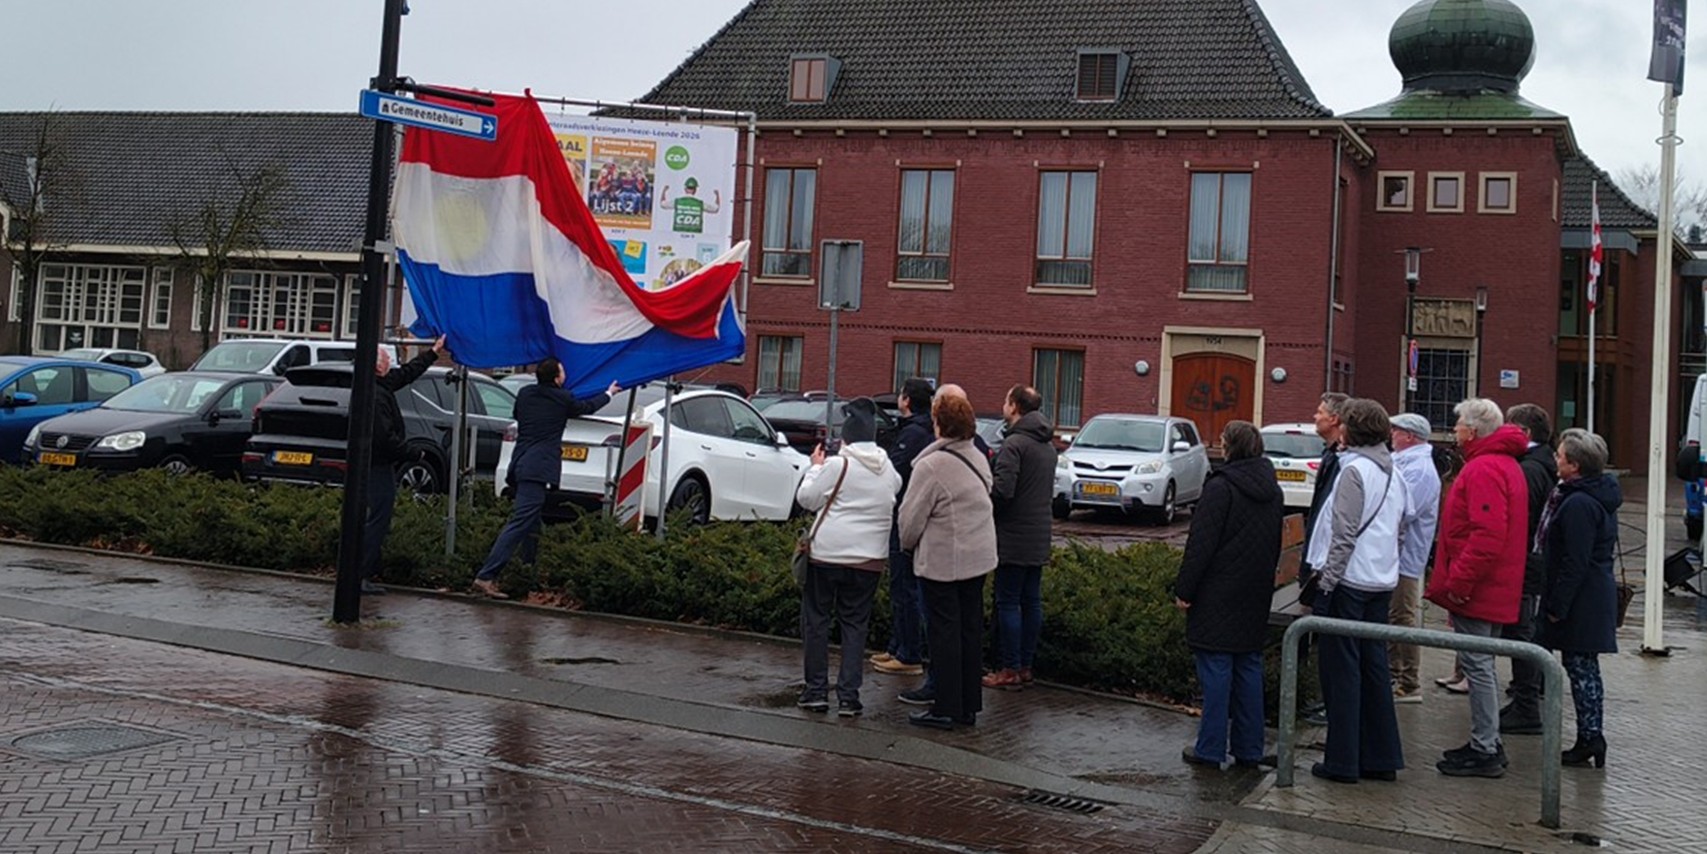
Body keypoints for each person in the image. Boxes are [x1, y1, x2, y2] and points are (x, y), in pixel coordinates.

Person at [1304, 398, 1408, 784]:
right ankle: (1381, 757)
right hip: (1380, 581)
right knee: (1374, 670)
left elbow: (1343, 535)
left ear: (1350, 431)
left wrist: (1326, 583)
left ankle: (1342, 760)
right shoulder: (1393, 473)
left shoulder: (1355, 472)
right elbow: (1400, 527)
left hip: (1348, 583)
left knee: (1341, 673)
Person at [1425, 398, 1528, 778]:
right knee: (1481, 664)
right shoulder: (1504, 464)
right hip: (1494, 585)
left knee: (1478, 666)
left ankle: (1486, 746)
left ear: (1472, 430)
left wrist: (1458, 584)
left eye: (1458, 426)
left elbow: (1486, 535)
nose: (1455, 432)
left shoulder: (1484, 468)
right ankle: (1486, 740)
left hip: (1480, 588)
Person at [1174, 420, 1283, 768]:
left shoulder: (1221, 488)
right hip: (1254, 590)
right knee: (1248, 664)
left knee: (1216, 666)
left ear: (1231, 446)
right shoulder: (1273, 488)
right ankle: (1250, 748)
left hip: (1218, 592)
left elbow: (1200, 545)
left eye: (1222, 439)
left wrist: (1185, 590)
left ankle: (1210, 747)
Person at [472, 358, 616, 598]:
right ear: (557, 378)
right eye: (563, 371)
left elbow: (518, 414)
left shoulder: (526, 393)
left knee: (531, 524)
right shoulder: (562, 398)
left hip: (520, 463)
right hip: (537, 469)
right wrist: (609, 393)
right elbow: (586, 407)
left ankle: (527, 576)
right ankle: (486, 576)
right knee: (520, 522)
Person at [795, 398, 903, 717]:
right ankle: (849, 697)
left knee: (816, 621)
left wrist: (814, 469)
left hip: (827, 556)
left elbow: (806, 498)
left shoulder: (837, 464)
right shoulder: (889, 470)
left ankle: (815, 692)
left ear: (848, 438)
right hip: (869, 561)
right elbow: (894, 493)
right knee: (855, 625)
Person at [897, 393, 997, 730]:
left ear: (939, 424)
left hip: (942, 562)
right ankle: (968, 706)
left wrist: (907, 546)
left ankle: (945, 707)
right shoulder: (978, 457)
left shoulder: (930, 466)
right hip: (978, 558)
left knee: (943, 635)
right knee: (969, 631)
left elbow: (909, 520)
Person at [1536, 429, 1620, 769]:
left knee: (1581, 668)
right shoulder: (1595, 496)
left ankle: (1590, 736)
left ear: (1574, 465)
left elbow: (1575, 559)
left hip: (1582, 601)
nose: (1555, 460)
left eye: (1560, 456)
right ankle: (1591, 735)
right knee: (1585, 668)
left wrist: (1558, 606)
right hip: (1591, 595)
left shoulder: (1579, 504)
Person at [983, 385, 1058, 690]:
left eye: (1005, 401)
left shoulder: (1014, 445)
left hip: (1012, 536)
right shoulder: (1047, 445)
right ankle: (1025, 665)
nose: (1003, 406)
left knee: (1008, 601)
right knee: (1031, 601)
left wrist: (982, 496)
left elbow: (1003, 491)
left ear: (1014, 406)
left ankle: (1009, 668)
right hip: (1039, 534)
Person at [360, 336, 444, 595]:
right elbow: (384, 437)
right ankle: (361, 574)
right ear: (378, 367)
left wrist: (433, 353)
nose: (390, 364)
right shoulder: (374, 395)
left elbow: (406, 374)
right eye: (387, 360)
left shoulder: (378, 386)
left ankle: (365, 571)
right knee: (378, 518)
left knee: (374, 517)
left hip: (376, 463)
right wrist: (413, 453)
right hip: (376, 465)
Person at [1498, 403, 1557, 735]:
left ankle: (1526, 705)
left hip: (1525, 564)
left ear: (1525, 433)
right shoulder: (1542, 464)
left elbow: (1524, 519)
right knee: (1524, 630)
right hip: (1533, 562)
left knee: (1521, 632)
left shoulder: (1529, 470)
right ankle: (1524, 699)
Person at [875, 377, 936, 683]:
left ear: (907, 401)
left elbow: (894, 469)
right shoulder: (920, 430)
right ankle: (897, 646)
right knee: (901, 584)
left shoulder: (913, 434)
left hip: (905, 515)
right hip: (906, 513)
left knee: (904, 586)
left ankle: (908, 654)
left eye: (901, 395)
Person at [1387, 412, 1441, 703]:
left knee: (1403, 615)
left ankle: (1409, 682)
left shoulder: (1419, 469)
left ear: (1409, 436)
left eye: (1396, 430)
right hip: (1395, 554)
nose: (1391, 434)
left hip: (1406, 556)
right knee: (1395, 615)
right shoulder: (1405, 462)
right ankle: (1395, 672)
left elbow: (1406, 512)